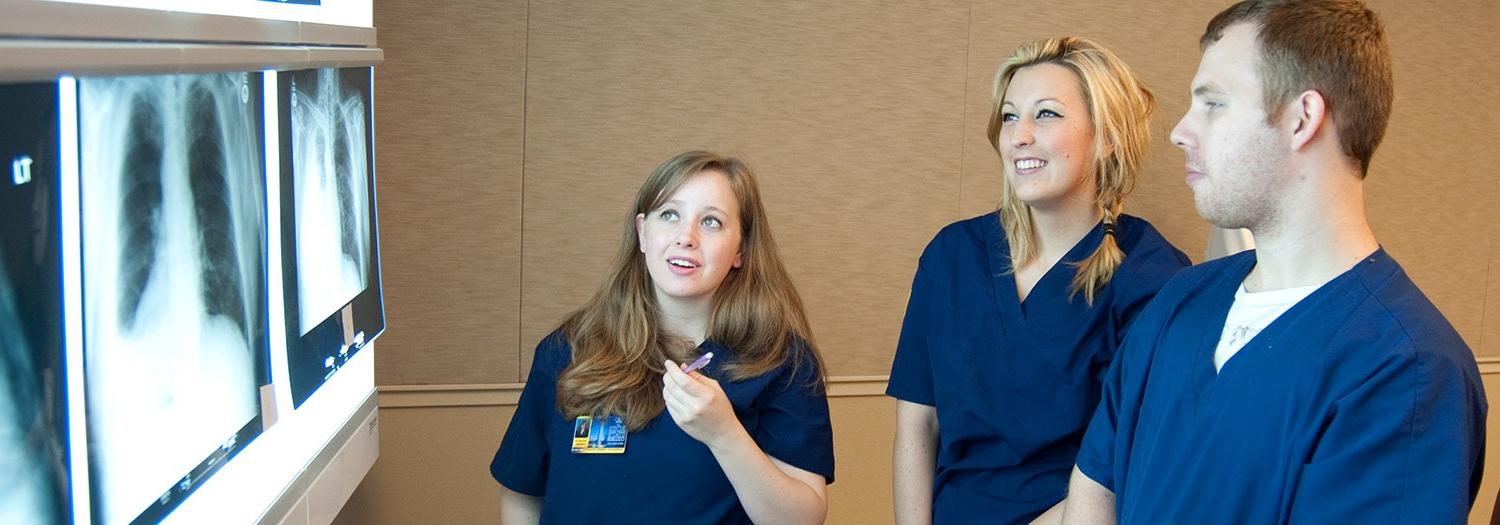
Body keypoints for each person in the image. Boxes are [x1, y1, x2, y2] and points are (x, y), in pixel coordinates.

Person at [1063, 1, 1488, 523]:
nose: (1180, 131)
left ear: (1302, 119)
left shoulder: (1406, 370)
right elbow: (1095, 485)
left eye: (1213, 104)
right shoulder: (1181, 299)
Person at [887, 37, 1190, 525]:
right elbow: (918, 426)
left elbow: (1131, 465)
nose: (1019, 136)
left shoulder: (1152, 278)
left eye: (1046, 114)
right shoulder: (951, 256)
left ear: (1107, 135)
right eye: (1010, 117)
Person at [490, 151, 834, 524]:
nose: (686, 237)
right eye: (669, 215)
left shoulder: (781, 361)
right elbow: (522, 495)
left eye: (711, 222)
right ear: (642, 232)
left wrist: (724, 434)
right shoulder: (568, 351)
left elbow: (801, 520)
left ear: (741, 250)